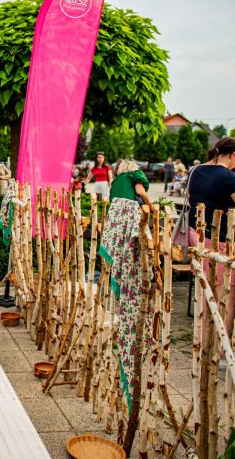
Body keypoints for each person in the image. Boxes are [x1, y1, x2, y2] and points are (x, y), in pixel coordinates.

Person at [187, 137, 235, 338]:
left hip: (197, 236)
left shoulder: (196, 171)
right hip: (219, 240)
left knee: (204, 291)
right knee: (225, 295)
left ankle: (201, 342)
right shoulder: (230, 178)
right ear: (233, 154)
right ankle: (221, 346)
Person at [98, 160, 151, 408]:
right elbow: (141, 193)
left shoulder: (117, 180)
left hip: (116, 223)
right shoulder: (134, 177)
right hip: (131, 226)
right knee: (133, 265)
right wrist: (152, 207)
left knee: (121, 266)